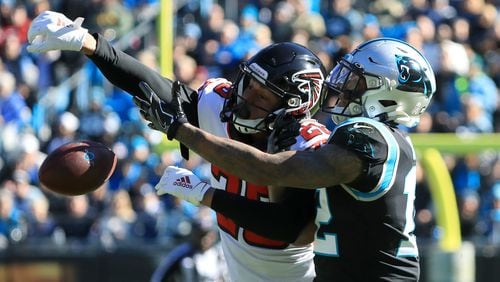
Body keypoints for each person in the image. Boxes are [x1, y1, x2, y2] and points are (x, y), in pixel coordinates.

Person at [27, 11, 330, 281]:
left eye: (262, 96)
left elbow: (287, 227)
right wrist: (90, 44)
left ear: (293, 107)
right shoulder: (221, 106)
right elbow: (158, 89)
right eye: (248, 84)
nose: (244, 99)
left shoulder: (306, 146)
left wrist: (204, 194)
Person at [135, 38, 437, 281]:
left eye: (357, 81)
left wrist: (181, 132)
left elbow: (270, 171)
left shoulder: (370, 139)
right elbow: (290, 203)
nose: (343, 86)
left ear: (389, 96)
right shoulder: (369, 137)